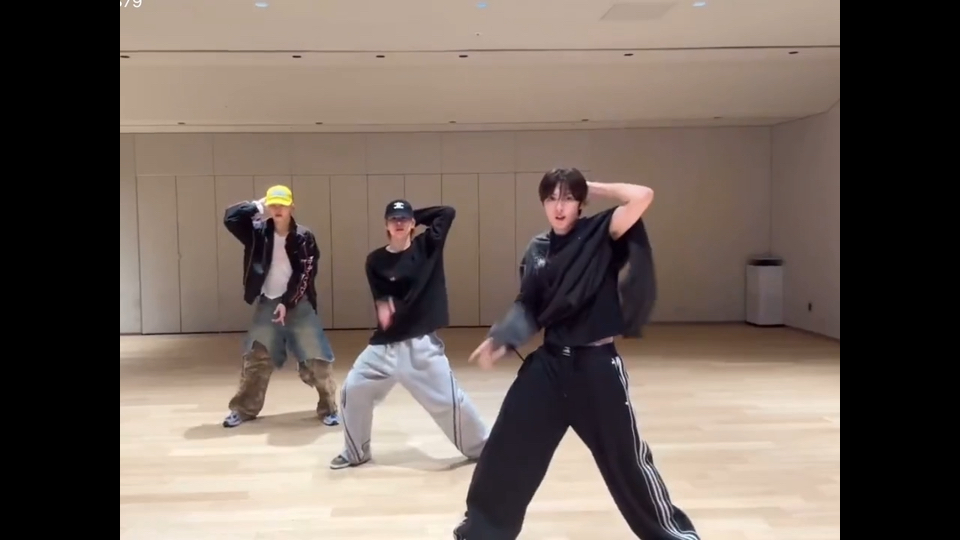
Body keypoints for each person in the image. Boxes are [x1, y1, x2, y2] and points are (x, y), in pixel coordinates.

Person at [453, 169, 700, 540]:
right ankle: (481, 533)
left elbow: (642, 195)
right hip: (551, 365)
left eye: (568, 198)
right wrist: (503, 337)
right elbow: (529, 304)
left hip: (596, 368)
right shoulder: (538, 249)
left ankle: (675, 536)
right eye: (552, 198)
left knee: (627, 462)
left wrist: (591, 187)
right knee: (506, 448)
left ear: (581, 203)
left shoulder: (601, 232)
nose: (559, 206)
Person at [329, 199, 488, 470]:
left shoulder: (428, 246)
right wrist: (384, 307)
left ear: (413, 223)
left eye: (404, 219)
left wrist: (414, 214)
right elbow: (381, 296)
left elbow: (447, 212)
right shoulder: (375, 260)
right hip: (384, 347)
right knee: (352, 390)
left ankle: (484, 447)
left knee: (450, 402)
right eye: (394, 219)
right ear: (386, 225)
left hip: (420, 346)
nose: (399, 223)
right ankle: (356, 452)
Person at [220, 185, 340, 428]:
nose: (277, 209)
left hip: (299, 303)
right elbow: (231, 218)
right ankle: (244, 409)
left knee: (317, 357)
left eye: (282, 205)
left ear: (291, 207)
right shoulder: (257, 233)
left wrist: (287, 302)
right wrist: (256, 205)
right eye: (273, 204)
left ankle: (329, 408)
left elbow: (304, 274)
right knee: (256, 357)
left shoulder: (303, 236)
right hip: (268, 302)